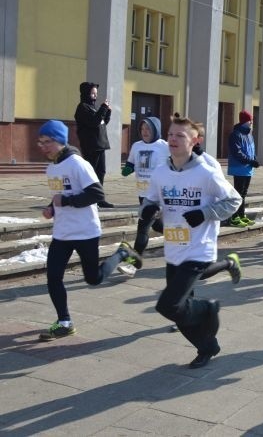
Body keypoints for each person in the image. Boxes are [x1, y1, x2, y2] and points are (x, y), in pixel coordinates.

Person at [136, 117, 241, 368]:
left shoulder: (205, 172)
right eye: (171, 134)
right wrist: (149, 211)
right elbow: (149, 201)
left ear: (195, 142)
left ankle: (206, 309)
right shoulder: (161, 172)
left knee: (168, 305)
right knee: (179, 312)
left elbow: (233, 200)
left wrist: (204, 214)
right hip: (173, 249)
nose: (173, 139)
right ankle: (207, 347)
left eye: (180, 136)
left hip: (198, 249)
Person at [37, 120, 141, 341]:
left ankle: (122, 252)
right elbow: (60, 194)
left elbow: (96, 195)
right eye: (41, 142)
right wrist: (51, 208)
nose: (43, 146)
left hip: (85, 231)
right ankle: (65, 321)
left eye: (48, 141)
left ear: (60, 141)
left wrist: (65, 201)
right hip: (63, 233)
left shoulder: (78, 164)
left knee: (93, 279)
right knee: (53, 276)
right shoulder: (52, 167)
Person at [74, 81, 113, 207]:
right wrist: (103, 108)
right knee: (91, 172)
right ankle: (88, 196)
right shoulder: (82, 107)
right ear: (86, 93)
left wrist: (108, 111)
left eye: (96, 93)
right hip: (91, 146)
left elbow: (102, 123)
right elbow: (93, 122)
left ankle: (99, 197)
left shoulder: (93, 107)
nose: (95, 96)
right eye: (92, 93)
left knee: (101, 171)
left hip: (100, 145)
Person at [122, 117, 169, 205]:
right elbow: (130, 163)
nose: (144, 131)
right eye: (142, 129)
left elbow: (178, 160)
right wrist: (127, 170)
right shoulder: (136, 146)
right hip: (142, 190)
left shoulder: (165, 146)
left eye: (148, 128)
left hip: (159, 191)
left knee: (152, 216)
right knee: (146, 215)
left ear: (155, 129)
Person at [227, 110, 260, 228]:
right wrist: (250, 161)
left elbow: (251, 149)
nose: (251, 122)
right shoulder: (236, 134)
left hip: (248, 168)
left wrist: (254, 159)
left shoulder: (249, 134)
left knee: (244, 193)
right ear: (244, 121)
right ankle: (234, 217)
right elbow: (237, 152)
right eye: (249, 120)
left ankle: (241, 215)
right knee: (238, 193)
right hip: (239, 167)